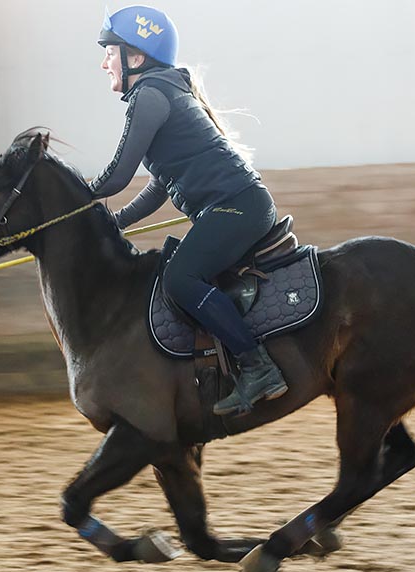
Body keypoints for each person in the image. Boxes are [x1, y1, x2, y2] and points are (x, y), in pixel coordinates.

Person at [90, 5, 287, 416]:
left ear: (135, 58)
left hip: (236, 208)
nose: (104, 63)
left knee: (180, 278)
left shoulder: (150, 96)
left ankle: (258, 368)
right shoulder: (162, 92)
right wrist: (114, 223)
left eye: (109, 53)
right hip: (239, 207)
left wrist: (80, 204)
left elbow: (117, 175)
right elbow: (158, 188)